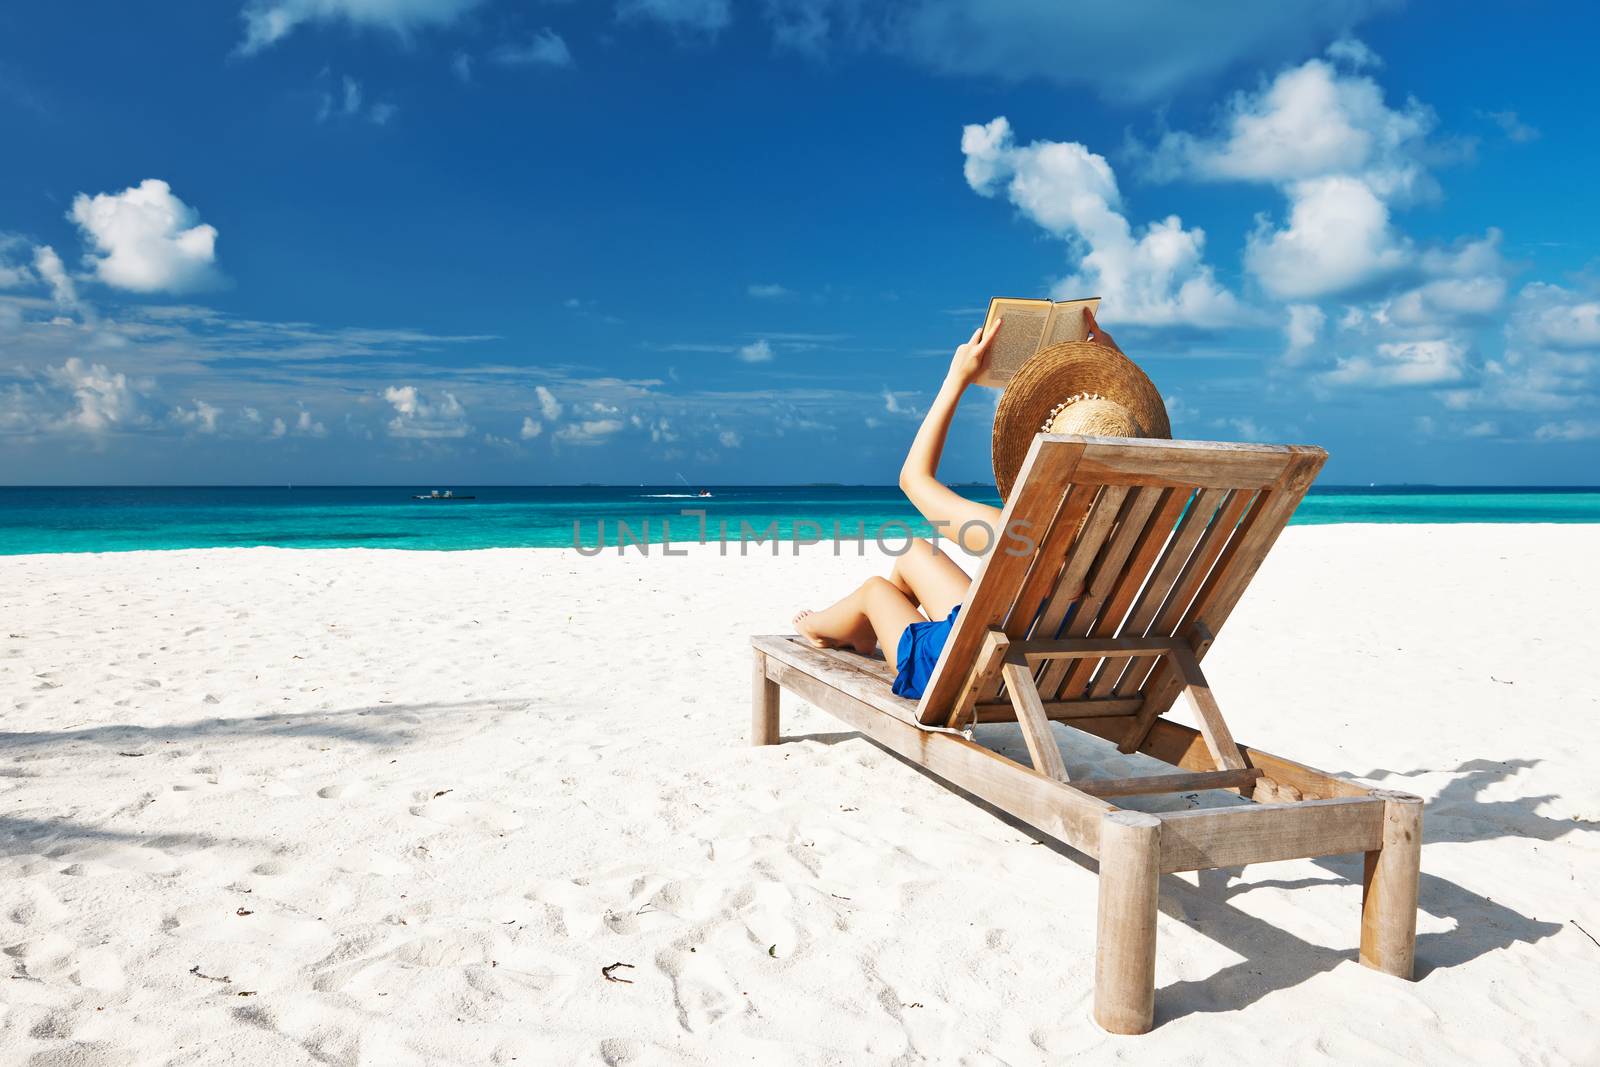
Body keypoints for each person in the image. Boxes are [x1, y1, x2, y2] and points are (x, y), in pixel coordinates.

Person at [793, 306, 1170, 699]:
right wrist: (1115, 359)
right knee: (914, 552)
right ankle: (866, 633)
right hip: (1045, 667)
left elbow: (913, 479)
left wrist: (956, 380)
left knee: (874, 590)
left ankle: (818, 628)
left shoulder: (1013, 535)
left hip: (967, 671)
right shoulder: (1138, 532)